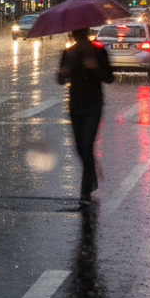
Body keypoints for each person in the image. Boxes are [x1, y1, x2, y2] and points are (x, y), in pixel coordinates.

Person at [57, 27, 114, 204]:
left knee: (87, 145)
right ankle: (91, 175)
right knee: (80, 147)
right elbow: (61, 80)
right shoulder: (68, 53)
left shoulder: (98, 51)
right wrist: (63, 74)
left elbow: (109, 77)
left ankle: (85, 192)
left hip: (93, 104)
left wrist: (96, 68)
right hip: (76, 104)